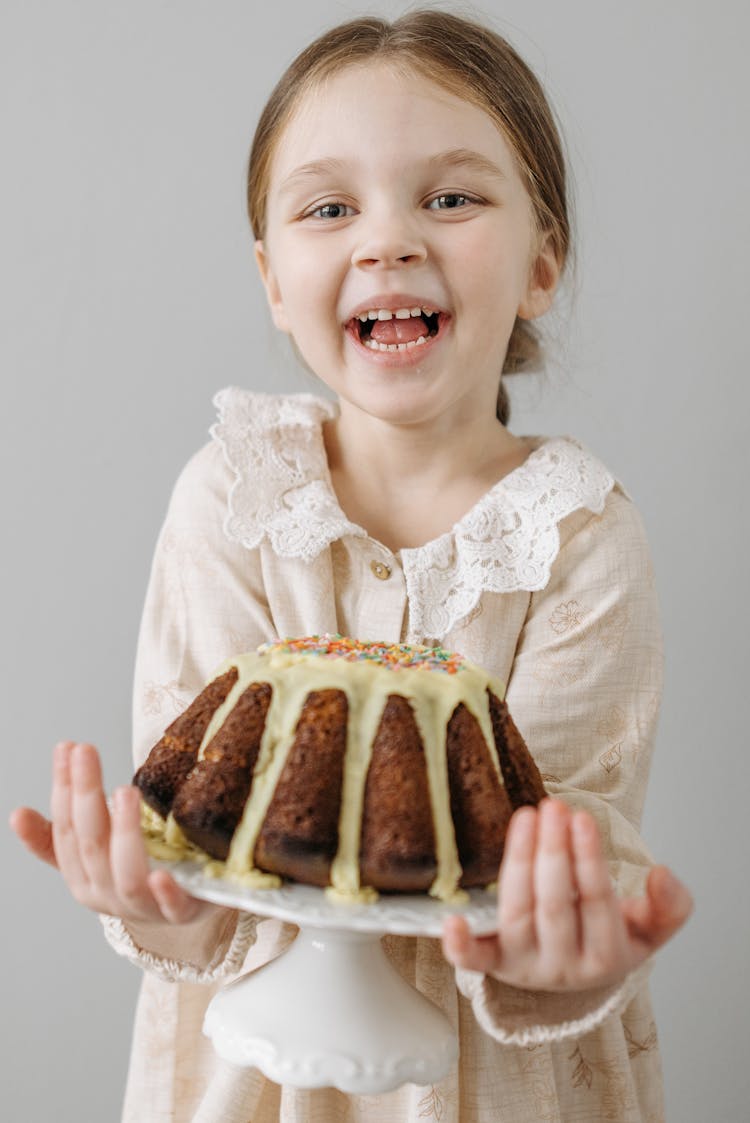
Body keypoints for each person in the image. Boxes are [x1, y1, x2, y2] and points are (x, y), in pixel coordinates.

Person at [10, 9, 693, 1122]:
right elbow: (196, 836)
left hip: (497, 1084)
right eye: (331, 208)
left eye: (451, 197)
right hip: (260, 1081)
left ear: (543, 261)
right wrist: (156, 897)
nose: (389, 241)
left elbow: (569, 853)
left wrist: (564, 943)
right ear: (275, 278)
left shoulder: (577, 537)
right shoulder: (235, 500)